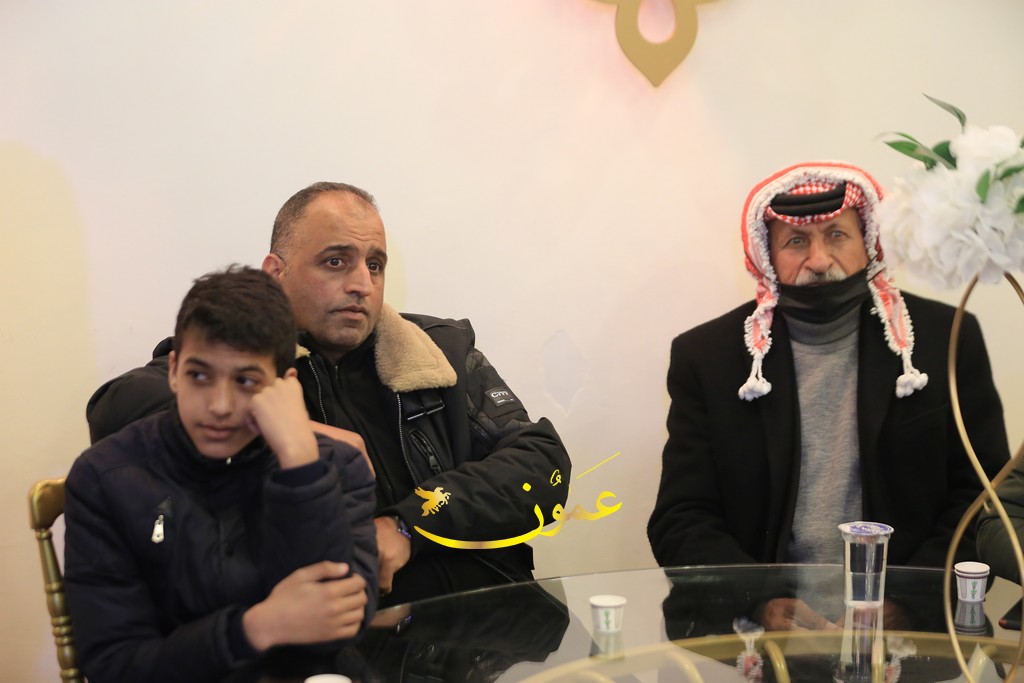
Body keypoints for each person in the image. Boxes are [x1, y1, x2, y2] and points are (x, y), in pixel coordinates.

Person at [86, 182, 572, 606]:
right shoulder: (240, 359)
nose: (362, 284)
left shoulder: (440, 349)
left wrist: (407, 526)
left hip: (485, 624)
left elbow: (541, 461)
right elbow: (117, 406)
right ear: (274, 273)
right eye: (336, 261)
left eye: (375, 265)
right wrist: (283, 429)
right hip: (328, 639)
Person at [647, 161, 1008, 626]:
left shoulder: (947, 339)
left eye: (837, 235)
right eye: (796, 241)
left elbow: (986, 499)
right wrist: (762, 602)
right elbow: (681, 517)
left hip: (918, 631)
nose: (818, 261)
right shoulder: (707, 357)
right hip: (754, 637)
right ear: (767, 255)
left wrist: (903, 602)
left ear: (868, 242)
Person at [64, 266, 378, 683]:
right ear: (173, 370)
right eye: (199, 376)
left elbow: (337, 628)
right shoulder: (105, 477)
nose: (219, 406)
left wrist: (301, 466)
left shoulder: (336, 467)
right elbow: (114, 665)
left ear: (286, 386)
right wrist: (256, 628)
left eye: (246, 380)